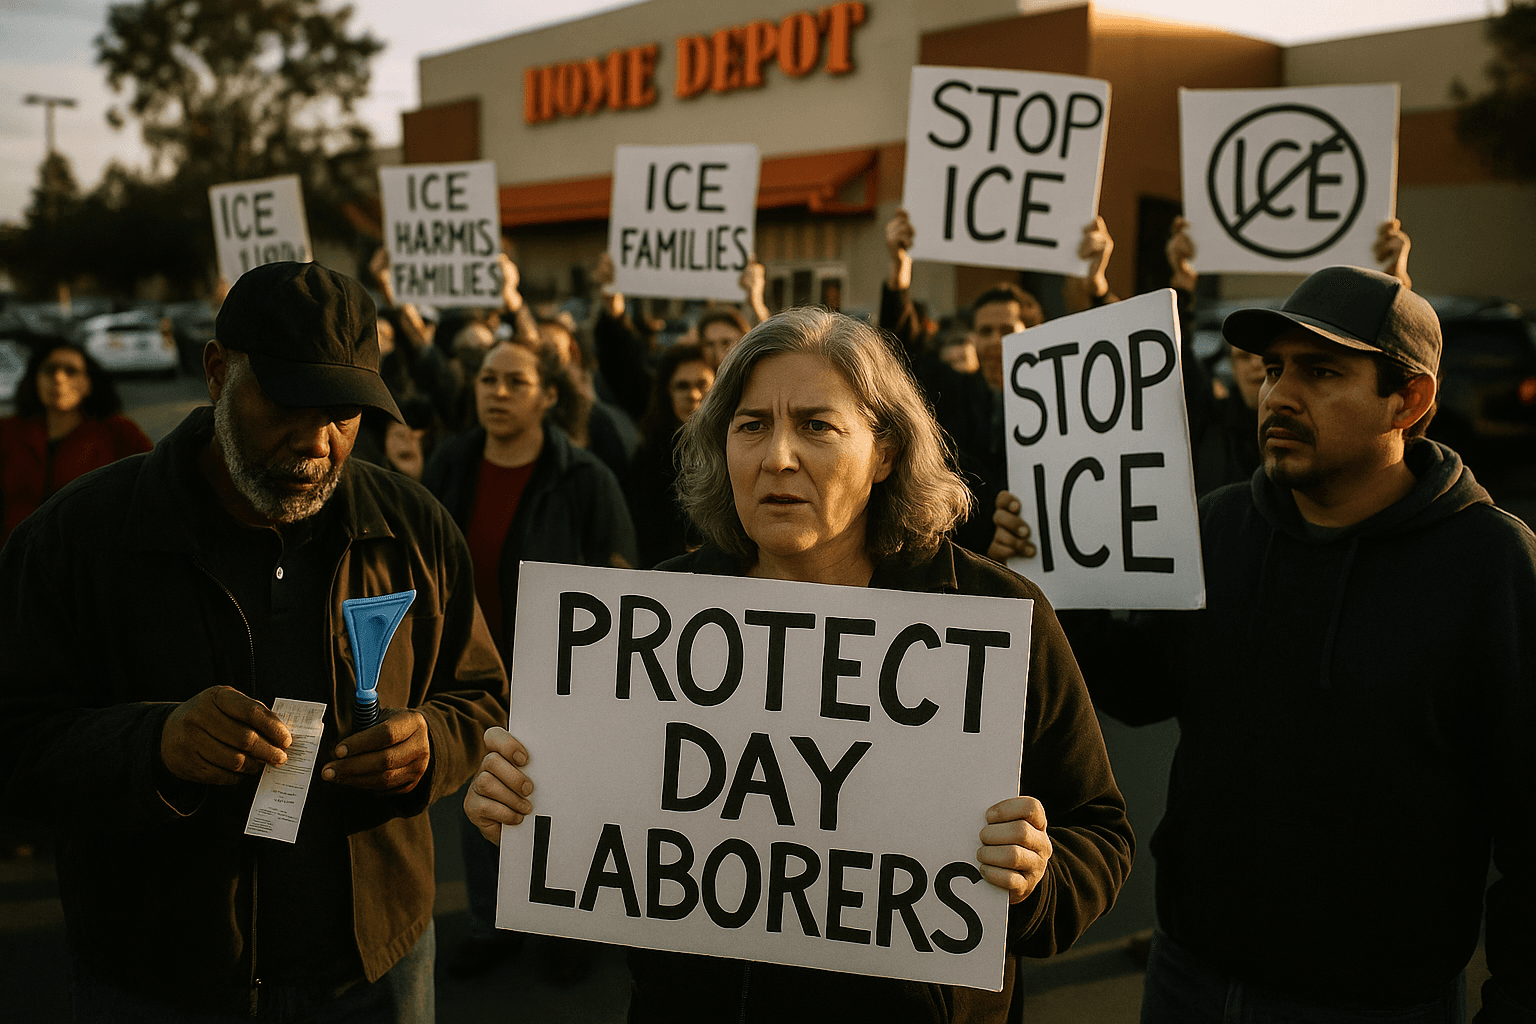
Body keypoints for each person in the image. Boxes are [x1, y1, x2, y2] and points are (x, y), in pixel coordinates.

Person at [465, 307, 1134, 1021]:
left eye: (817, 426)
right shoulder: (654, 619)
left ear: (884, 452)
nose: (777, 456)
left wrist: (1036, 880)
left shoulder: (990, 614)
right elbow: (601, 835)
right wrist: (522, 809)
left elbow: (1098, 832)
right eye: (752, 425)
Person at [991, 266, 1536, 1021]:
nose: (1279, 394)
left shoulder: (1490, 566)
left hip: (1374, 1003)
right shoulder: (1221, 526)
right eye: (1275, 369)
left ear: (1408, 401)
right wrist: (1049, 584)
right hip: (1189, 975)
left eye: (1321, 372)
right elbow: (1140, 686)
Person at [0, 262, 508, 1022]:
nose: (316, 441)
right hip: (159, 981)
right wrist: (154, 746)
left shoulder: (413, 527)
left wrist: (432, 744)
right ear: (216, 373)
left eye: (343, 413)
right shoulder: (77, 539)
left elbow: (482, 696)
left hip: (376, 973)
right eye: (286, 403)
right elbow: (14, 741)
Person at [422, 337, 638, 981]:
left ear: (547, 395)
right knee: (484, 794)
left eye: (515, 382)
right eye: (487, 379)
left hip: (556, 677)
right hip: (470, 673)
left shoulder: (584, 478)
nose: (497, 392)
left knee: (558, 801)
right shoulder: (452, 464)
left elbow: (619, 578)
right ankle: (491, 924)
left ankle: (568, 926)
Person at [878, 209, 1114, 555]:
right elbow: (901, 357)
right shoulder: (953, 395)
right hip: (973, 566)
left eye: (1006, 330)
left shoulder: (1066, 400)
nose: (994, 342)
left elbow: (1111, 362)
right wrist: (900, 272)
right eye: (985, 331)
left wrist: (1096, 288)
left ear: (1033, 333)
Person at [0, 337, 152, 547]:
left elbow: (152, 493)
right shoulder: (8, 432)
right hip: (15, 557)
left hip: (90, 558)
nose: (58, 378)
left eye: (71, 371)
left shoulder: (119, 432)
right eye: (49, 370)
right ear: (34, 380)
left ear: (89, 383)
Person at [626, 340, 714, 566]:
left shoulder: (737, 449)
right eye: (682, 386)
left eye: (702, 384)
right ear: (668, 393)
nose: (693, 395)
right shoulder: (649, 457)